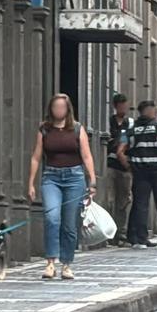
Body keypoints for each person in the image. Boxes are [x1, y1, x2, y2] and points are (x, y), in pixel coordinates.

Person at [27, 94, 97, 280]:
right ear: (51, 109)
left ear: (67, 109)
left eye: (62, 107)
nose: (58, 110)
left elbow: (87, 155)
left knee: (69, 224)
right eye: (55, 106)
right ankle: (50, 263)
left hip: (74, 178)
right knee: (52, 217)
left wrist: (92, 180)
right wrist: (31, 183)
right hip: (51, 177)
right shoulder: (44, 129)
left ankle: (66, 264)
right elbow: (36, 157)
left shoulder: (76, 128)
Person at [117, 100, 157, 249]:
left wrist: (129, 166)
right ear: (151, 111)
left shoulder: (131, 129)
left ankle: (141, 240)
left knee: (140, 205)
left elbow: (120, 152)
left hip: (139, 171)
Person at [105, 93, 134, 245]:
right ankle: (110, 233)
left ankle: (121, 232)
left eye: (125, 105)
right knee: (109, 199)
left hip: (125, 166)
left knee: (124, 201)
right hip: (110, 165)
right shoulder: (108, 122)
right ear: (115, 106)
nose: (123, 108)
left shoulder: (131, 123)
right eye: (120, 106)